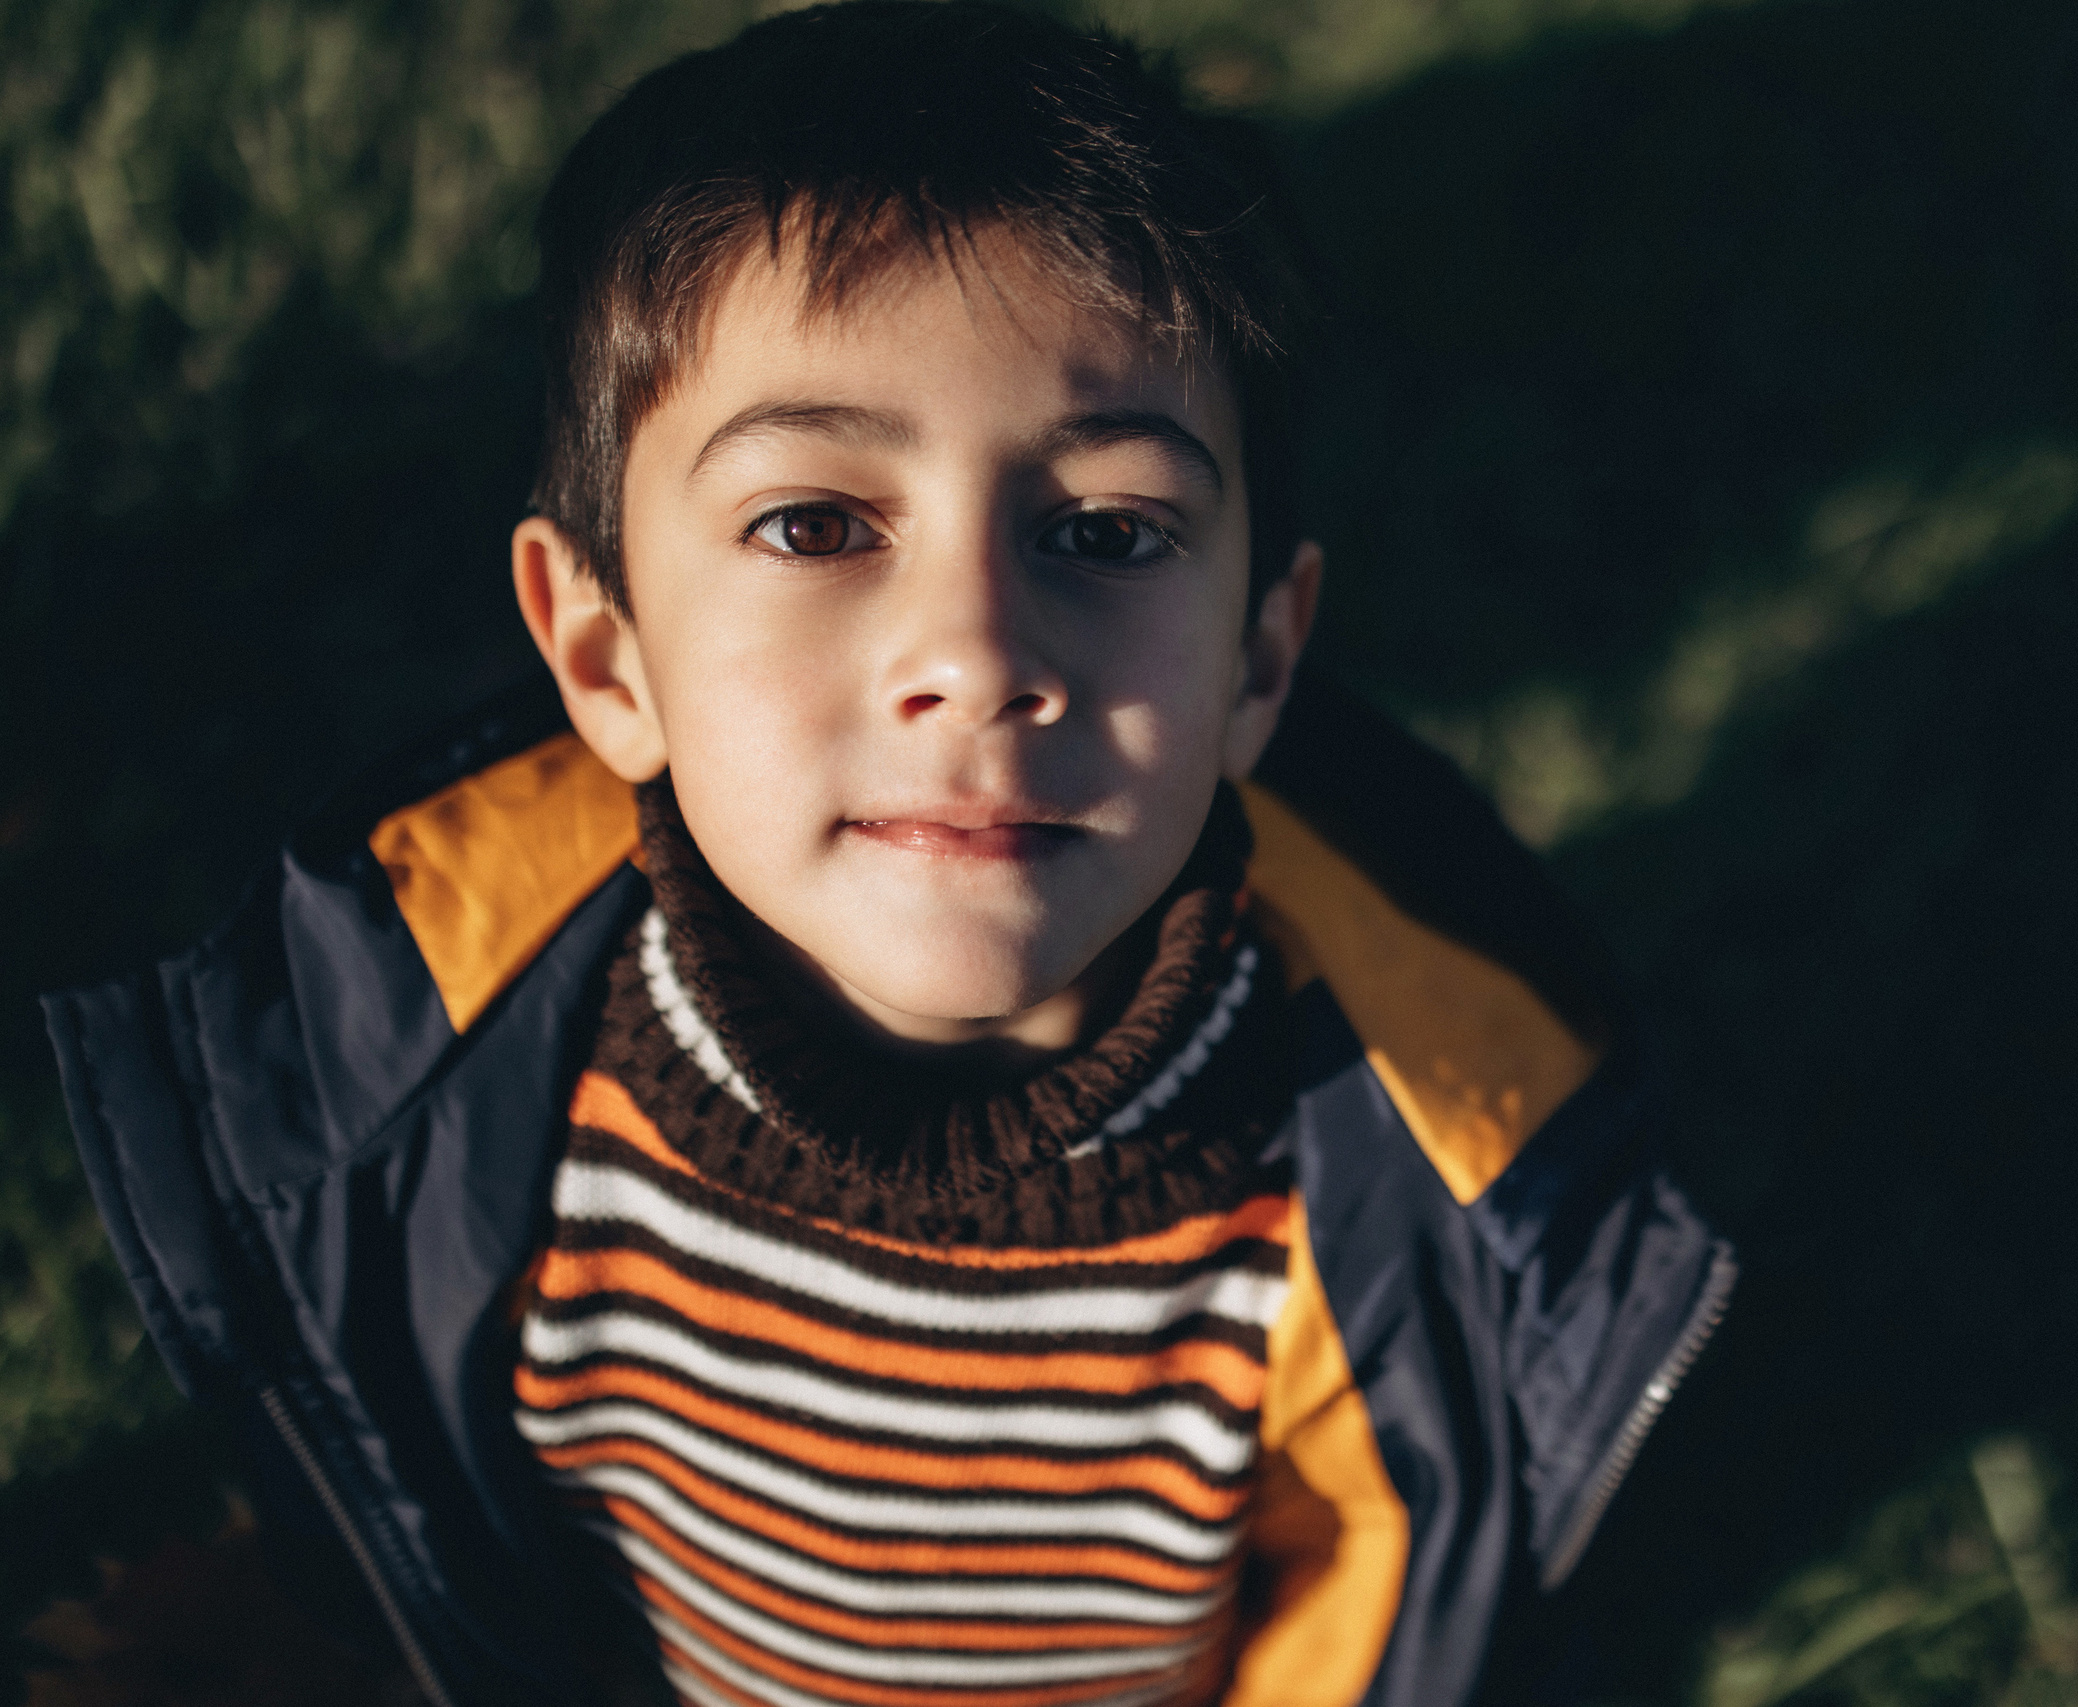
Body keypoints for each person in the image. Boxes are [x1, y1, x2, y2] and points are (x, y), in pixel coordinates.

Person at [42, 6, 1734, 1704]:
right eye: (817, 524)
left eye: (1105, 532)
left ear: (1259, 664)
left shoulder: (1376, 1183)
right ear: (607, 657)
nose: (980, 650)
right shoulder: (444, 1074)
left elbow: (1360, 1611)